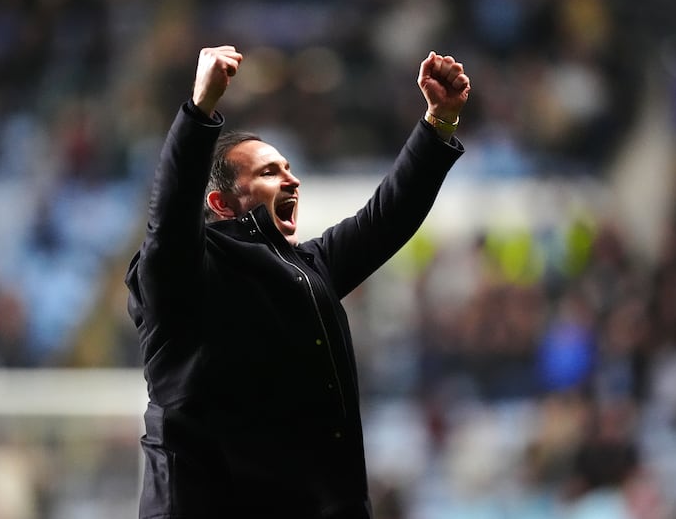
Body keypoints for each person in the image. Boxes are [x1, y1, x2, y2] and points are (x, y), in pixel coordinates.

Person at [125, 45, 470, 519]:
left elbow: (385, 219)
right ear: (222, 204)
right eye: (270, 172)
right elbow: (169, 219)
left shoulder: (308, 268)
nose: (292, 181)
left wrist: (439, 122)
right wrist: (199, 110)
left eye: (289, 168)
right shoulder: (185, 273)